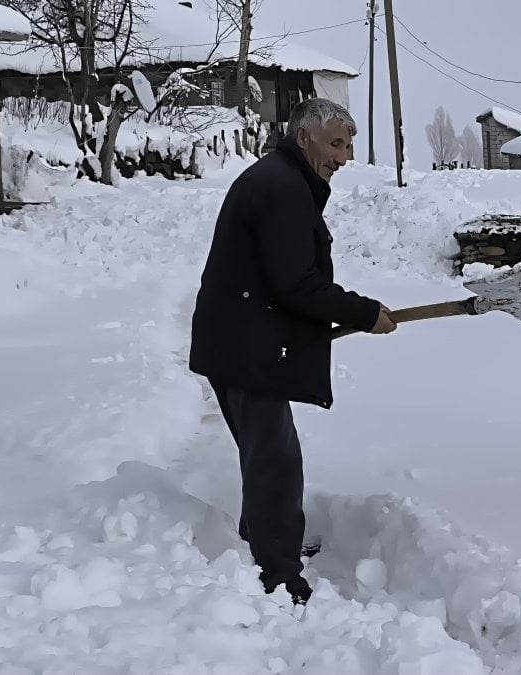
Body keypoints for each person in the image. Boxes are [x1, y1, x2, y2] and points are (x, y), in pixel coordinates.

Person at [188, 98, 398, 606]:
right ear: (303, 137)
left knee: (264, 454)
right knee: (276, 461)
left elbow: (280, 278)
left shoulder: (280, 178)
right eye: (335, 143)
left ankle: (264, 538)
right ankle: (279, 573)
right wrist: (363, 312)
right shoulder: (283, 188)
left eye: (348, 145)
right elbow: (295, 283)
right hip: (247, 344)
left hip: (240, 338)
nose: (344, 157)